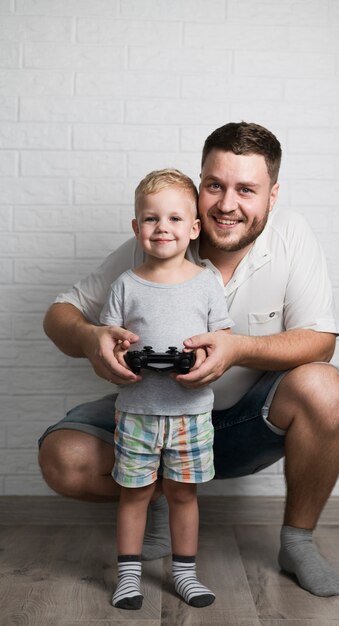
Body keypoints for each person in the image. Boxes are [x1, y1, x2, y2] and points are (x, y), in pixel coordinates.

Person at [39, 121, 339, 599]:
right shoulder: (161, 236)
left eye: (246, 189)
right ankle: (158, 498)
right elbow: (60, 313)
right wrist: (89, 337)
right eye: (215, 185)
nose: (227, 204)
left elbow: (320, 341)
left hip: (247, 421)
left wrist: (238, 348)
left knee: (326, 386)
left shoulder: (292, 234)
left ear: (272, 195)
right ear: (199, 185)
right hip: (151, 410)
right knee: (62, 458)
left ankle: (298, 541)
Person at [100, 169, 233, 609]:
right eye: (152, 219)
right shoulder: (124, 285)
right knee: (134, 493)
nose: (163, 228)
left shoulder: (206, 283)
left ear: (194, 228)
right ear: (137, 227)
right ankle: (129, 575)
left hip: (191, 413)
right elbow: (110, 345)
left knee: (183, 493)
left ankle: (185, 573)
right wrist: (120, 356)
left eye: (175, 219)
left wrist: (202, 361)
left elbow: (222, 344)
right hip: (137, 409)